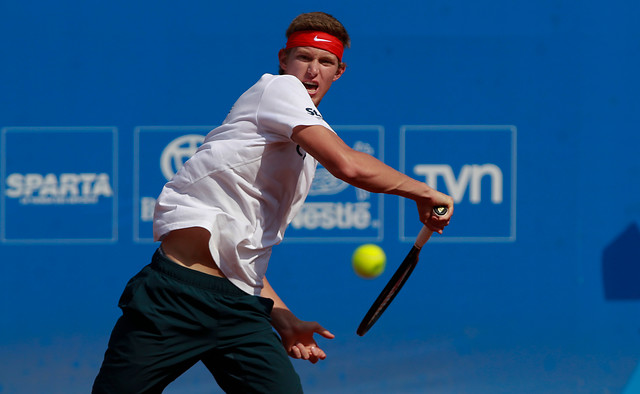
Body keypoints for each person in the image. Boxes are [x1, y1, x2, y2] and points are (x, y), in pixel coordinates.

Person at [93, 11, 453, 394]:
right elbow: (349, 165)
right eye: (304, 58)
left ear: (339, 72)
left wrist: (284, 319)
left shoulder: (302, 156)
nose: (312, 71)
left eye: (325, 62)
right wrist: (425, 191)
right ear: (284, 60)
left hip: (240, 308)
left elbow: (241, 250)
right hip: (174, 299)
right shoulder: (278, 90)